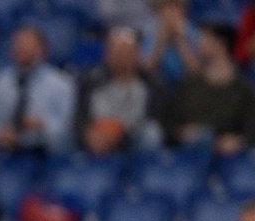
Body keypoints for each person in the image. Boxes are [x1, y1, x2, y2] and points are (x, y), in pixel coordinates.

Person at [0, 24, 77, 155]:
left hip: (44, 153)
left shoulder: (61, 84)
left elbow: (67, 130)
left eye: (27, 45)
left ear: (42, 49)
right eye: (18, 45)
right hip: (5, 151)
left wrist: (42, 125)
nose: (21, 49)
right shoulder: (1, 81)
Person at [164, 22, 255, 155]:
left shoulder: (243, 90)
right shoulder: (189, 84)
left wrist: (238, 141)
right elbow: (170, 121)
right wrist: (181, 132)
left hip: (227, 159)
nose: (199, 44)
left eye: (205, 39)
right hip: (187, 156)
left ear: (220, 44)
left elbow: (251, 128)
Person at [76, 26, 164, 156]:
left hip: (132, 138)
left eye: (127, 52)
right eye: (117, 52)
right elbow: (80, 116)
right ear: (107, 55)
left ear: (136, 55)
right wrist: (88, 133)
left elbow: (154, 117)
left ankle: (143, 172)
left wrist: (119, 134)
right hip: (97, 135)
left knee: (151, 133)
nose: (122, 57)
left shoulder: (150, 83)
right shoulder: (92, 80)